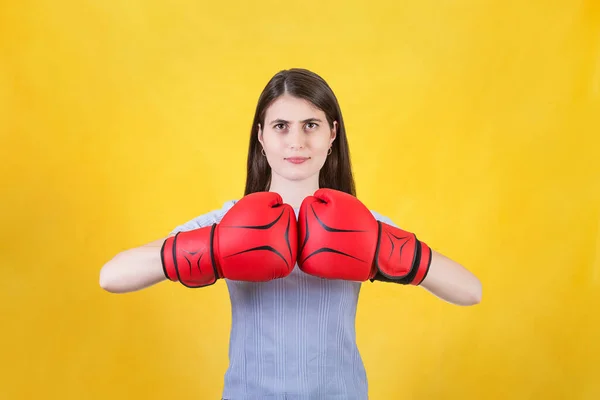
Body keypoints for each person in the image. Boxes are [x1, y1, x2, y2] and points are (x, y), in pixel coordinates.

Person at [99, 68, 482, 399]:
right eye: (281, 126)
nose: (296, 141)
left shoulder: (363, 223)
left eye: (311, 125)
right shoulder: (227, 221)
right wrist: (213, 248)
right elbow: (111, 276)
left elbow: (470, 290)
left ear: (332, 135)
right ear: (261, 137)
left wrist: (391, 251)